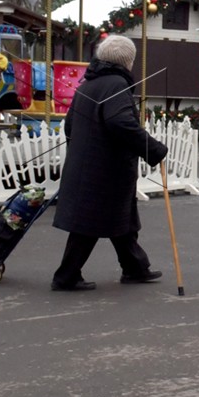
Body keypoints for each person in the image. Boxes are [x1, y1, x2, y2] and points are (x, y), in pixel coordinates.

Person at [50, 34, 169, 291]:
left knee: (122, 219)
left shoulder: (87, 86)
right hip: (105, 170)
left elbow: (70, 126)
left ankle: (135, 268)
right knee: (89, 225)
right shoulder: (116, 85)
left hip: (93, 165)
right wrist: (154, 148)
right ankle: (66, 276)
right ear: (127, 61)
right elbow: (120, 123)